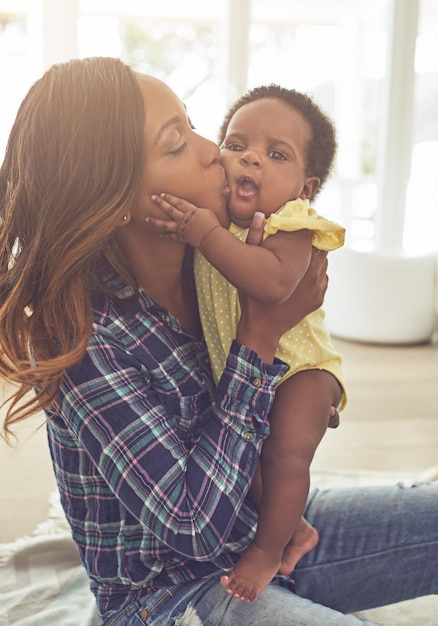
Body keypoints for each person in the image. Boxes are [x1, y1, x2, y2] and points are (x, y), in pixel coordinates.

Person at [0, 57, 436, 626]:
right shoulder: (83, 339)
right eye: (176, 142)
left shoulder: (216, 266)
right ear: (115, 198)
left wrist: (301, 394)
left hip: (262, 537)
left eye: (193, 123)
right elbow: (191, 527)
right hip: (167, 596)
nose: (213, 150)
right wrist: (258, 340)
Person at [147, 84, 346, 602]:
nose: (248, 158)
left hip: (302, 370)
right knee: (247, 464)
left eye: (275, 154)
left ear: (306, 186)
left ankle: (266, 550)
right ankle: (295, 527)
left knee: (283, 456)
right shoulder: (222, 224)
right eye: (236, 145)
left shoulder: (292, 224)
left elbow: (276, 286)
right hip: (255, 369)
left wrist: (201, 232)